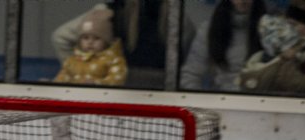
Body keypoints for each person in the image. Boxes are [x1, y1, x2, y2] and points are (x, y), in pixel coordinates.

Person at [53, 1, 195, 88]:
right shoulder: (107, 13)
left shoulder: (176, 14)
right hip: (140, 91)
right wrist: (80, 70)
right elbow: (61, 38)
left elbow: (60, 37)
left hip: (149, 91)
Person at [239, 0, 305, 94]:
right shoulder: (266, 54)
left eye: (293, 25)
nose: (287, 29)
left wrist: (287, 60)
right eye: (285, 24)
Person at [180, 0, 268, 90]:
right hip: (220, 100)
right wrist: (198, 102)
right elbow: (190, 75)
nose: (243, 1)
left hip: (258, 99)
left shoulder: (270, 30)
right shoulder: (209, 30)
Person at [54, 8, 129, 85]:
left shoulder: (114, 60)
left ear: (106, 41)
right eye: (85, 38)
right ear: (79, 41)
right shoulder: (72, 60)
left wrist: (96, 83)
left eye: (96, 38)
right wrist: (52, 84)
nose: (90, 42)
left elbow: (116, 81)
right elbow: (62, 78)